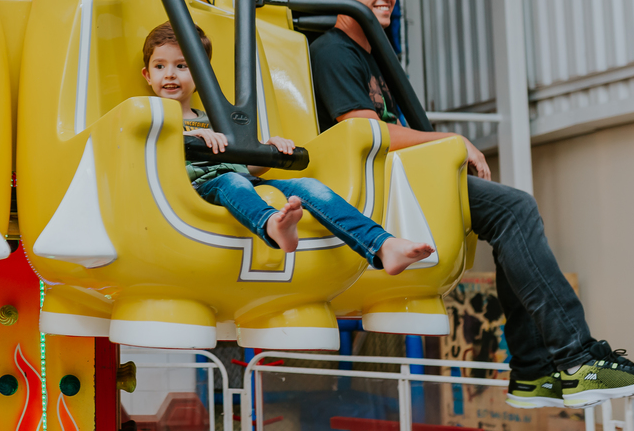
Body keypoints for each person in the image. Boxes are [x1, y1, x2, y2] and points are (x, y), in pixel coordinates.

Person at [310, 0, 634, 409]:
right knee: (514, 209)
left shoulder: (374, 55)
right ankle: (574, 360)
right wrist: (446, 141)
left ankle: (534, 370)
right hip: (370, 186)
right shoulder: (332, 50)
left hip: (397, 176)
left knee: (514, 212)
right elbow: (361, 128)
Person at [142, 22, 434, 273]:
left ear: (201, 74)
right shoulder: (147, 116)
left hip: (240, 182)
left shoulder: (217, 119)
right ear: (147, 74)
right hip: (193, 190)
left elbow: (246, 169)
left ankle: (382, 244)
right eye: (160, 66)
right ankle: (272, 225)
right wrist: (193, 138)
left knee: (307, 185)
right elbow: (147, 154)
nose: (170, 74)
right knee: (228, 181)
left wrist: (267, 150)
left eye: (182, 66)